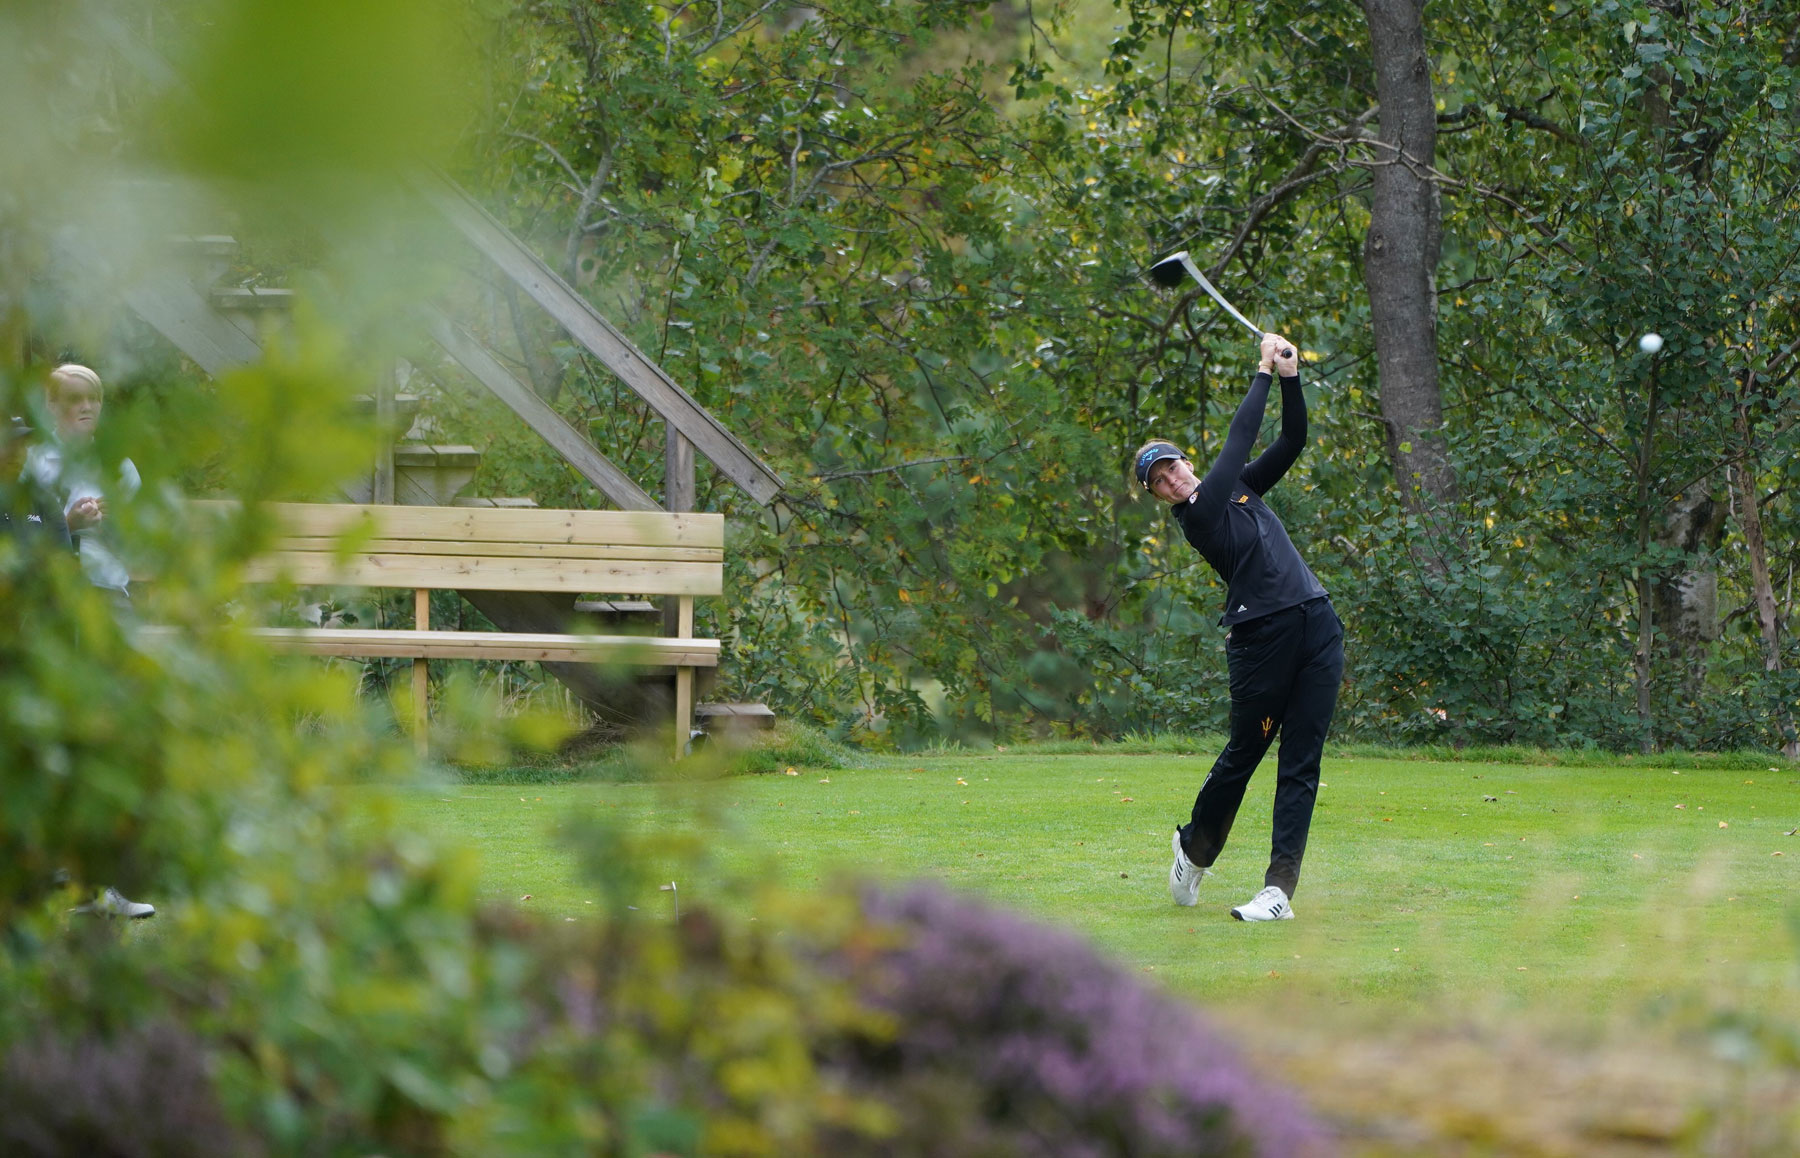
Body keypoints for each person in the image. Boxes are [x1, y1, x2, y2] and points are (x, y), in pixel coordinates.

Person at [1136, 332, 1344, 922]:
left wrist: (1292, 378)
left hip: (1317, 624)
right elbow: (1238, 442)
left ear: (1184, 462)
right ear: (1158, 496)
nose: (1170, 478)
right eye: (1158, 480)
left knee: (1301, 761)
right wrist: (1261, 372)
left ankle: (1278, 891)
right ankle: (1194, 848)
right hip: (1261, 641)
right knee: (1245, 754)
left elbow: (1293, 439)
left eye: (1171, 465)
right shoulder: (1198, 516)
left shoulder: (1245, 492)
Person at [28, 363, 141, 600]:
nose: (86, 407)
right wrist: (67, 524)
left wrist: (118, 521)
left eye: (94, 399)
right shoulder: (32, 463)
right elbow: (18, 534)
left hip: (107, 587)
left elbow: (141, 542)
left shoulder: (120, 466)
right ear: (51, 405)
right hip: (47, 594)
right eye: (75, 399)